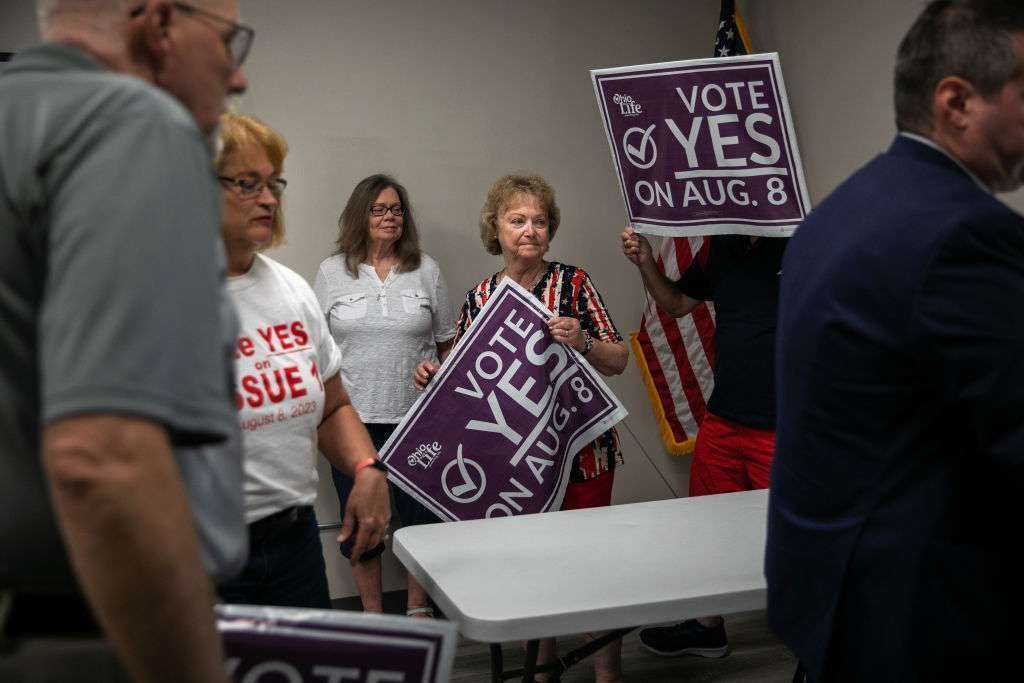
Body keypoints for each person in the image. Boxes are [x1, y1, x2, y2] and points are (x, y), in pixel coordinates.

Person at [767, 2, 1024, 681]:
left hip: (835, 599)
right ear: (957, 101)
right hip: (927, 621)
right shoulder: (967, 234)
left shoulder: (838, 213)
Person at [0, 1, 249, 681]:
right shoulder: (131, 123)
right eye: (229, 43)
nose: (237, 79)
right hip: (83, 633)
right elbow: (102, 458)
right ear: (159, 24)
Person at [421, 172, 628, 683]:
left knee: (588, 573)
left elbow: (619, 358)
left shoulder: (573, 283)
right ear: (496, 228)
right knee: (536, 574)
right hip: (515, 462)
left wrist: (583, 341)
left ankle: (606, 676)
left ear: (550, 231)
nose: (529, 229)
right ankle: (541, 670)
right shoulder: (480, 296)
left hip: (582, 454)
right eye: (517, 220)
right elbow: (461, 379)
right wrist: (431, 374)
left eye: (539, 221)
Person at [214, 114, 392, 608]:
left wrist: (366, 468)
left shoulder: (290, 290)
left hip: (293, 542)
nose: (270, 199)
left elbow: (332, 407)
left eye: (274, 183)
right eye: (248, 184)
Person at [621, 225, 784, 657]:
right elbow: (675, 304)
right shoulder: (722, 245)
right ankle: (708, 627)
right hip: (725, 414)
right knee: (710, 529)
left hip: (782, 423)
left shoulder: (801, 242)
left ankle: (817, 634)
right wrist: (646, 263)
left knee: (792, 532)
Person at [314, 174, 456, 616]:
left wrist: (439, 373)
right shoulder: (330, 272)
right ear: (361, 215)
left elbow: (448, 343)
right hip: (350, 423)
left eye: (396, 210)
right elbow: (314, 350)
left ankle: (417, 610)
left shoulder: (426, 269)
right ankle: (374, 616)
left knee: (421, 521)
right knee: (361, 523)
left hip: (417, 420)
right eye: (379, 209)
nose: (390, 217)